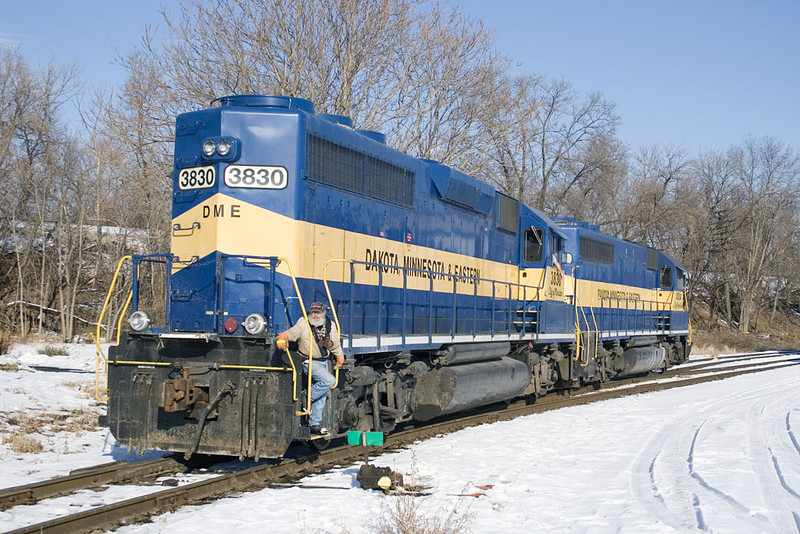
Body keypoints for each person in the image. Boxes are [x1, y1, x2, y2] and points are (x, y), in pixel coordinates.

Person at [275, 301, 345, 436]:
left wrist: (340, 357)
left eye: (318, 312)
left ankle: (314, 424)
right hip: (309, 361)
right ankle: (306, 396)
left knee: (322, 394)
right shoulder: (303, 323)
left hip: (324, 361)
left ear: (323, 313)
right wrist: (284, 337)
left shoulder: (330, 325)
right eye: (313, 312)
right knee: (329, 381)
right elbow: (294, 332)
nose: (316, 315)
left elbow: (335, 344)